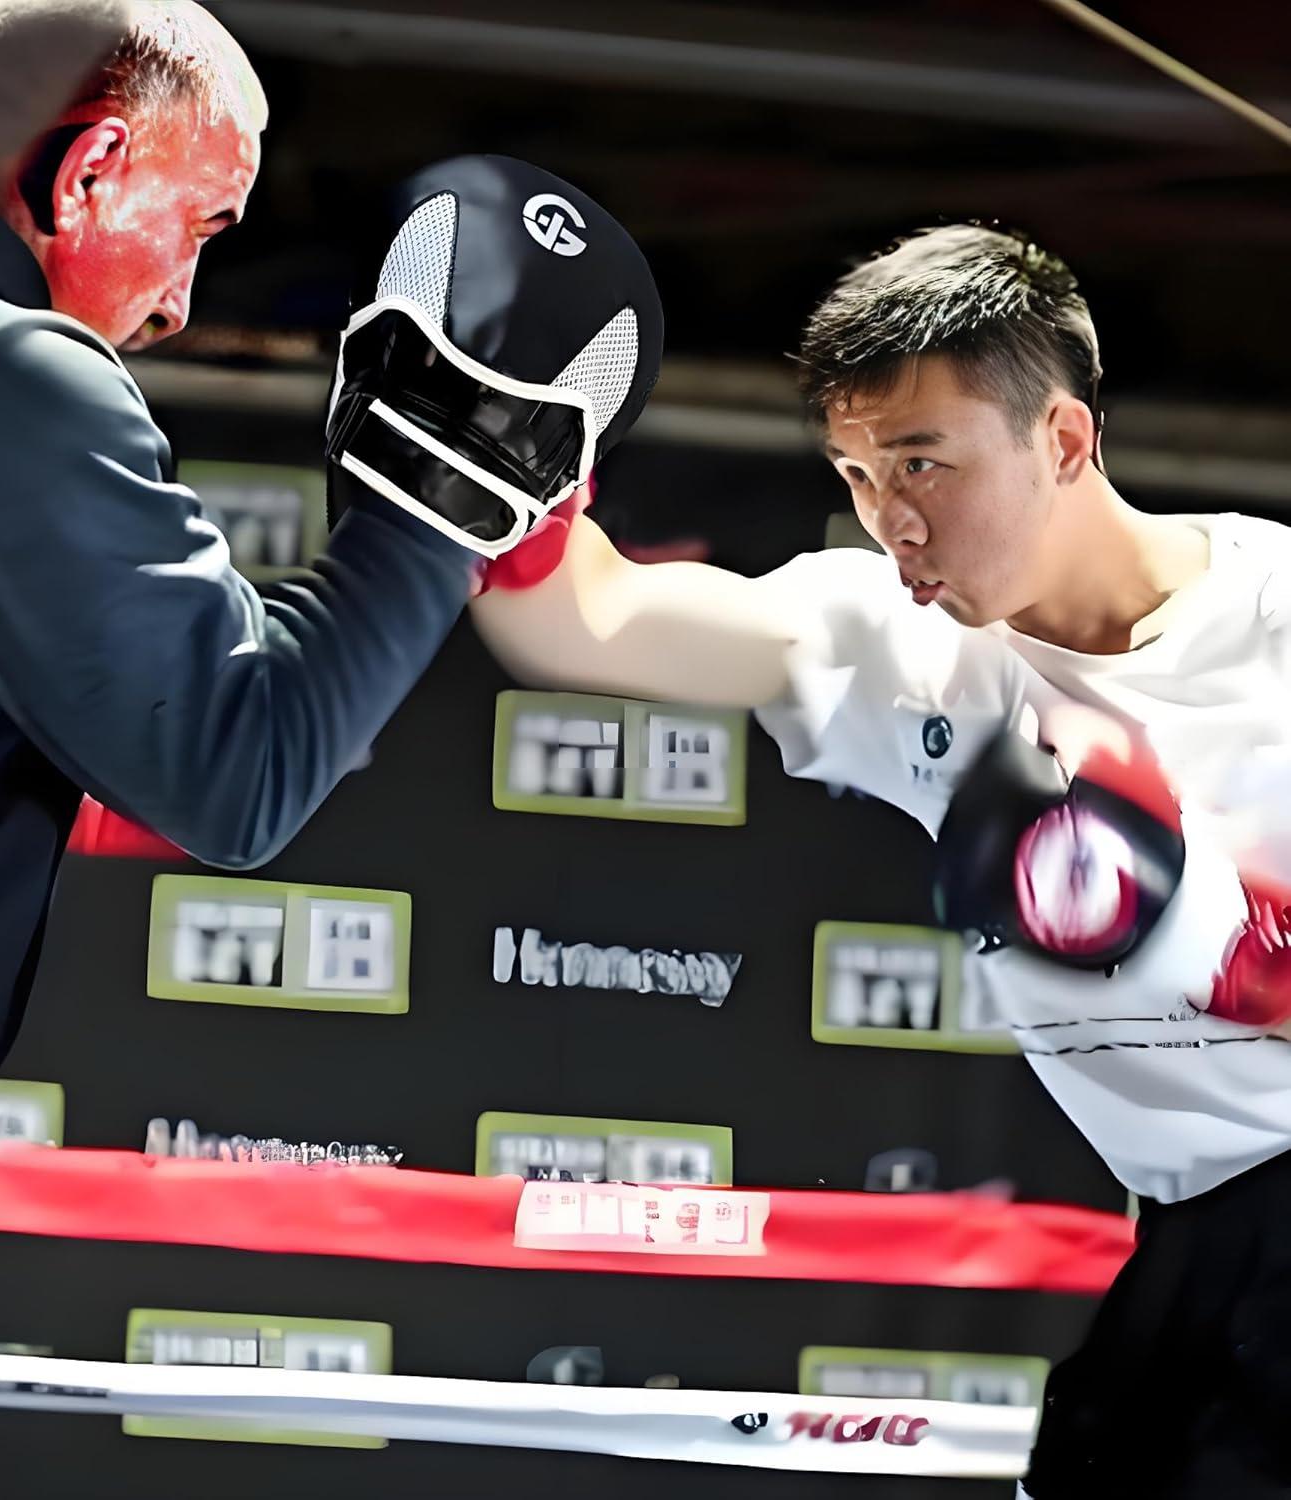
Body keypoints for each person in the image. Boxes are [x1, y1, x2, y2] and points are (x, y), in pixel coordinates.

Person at [0, 1, 662, 1491]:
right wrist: (442, 484)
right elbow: (238, 772)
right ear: (89, 170)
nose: (184, 300)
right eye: (194, 224)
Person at [472, 222, 1291, 1496]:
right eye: (858, 473)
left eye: (924, 461)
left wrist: (1231, 948)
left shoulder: (1280, 622)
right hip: (1191, 1245)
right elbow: (588, 620)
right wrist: (483, 431)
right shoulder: (903, 645)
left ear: (1063, 441)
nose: (892, 518)